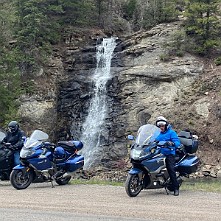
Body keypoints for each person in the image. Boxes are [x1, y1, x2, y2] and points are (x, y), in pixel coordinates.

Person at [155, 116, 181, 196]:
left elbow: (177, 143)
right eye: (160, 126)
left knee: (171, 169)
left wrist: (172, 143)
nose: (161, 128)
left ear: (166, 126)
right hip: (160, 154)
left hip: (169, 154)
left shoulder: (171, 133)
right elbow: (153, 140)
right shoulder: (158, 134)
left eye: (162, 126)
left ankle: (176, 188)